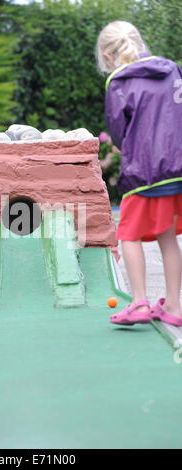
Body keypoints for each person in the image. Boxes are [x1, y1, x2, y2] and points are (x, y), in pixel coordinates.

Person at [96, 21, 182, 326]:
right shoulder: (172, 69)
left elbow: (118, 133)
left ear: (107, 54)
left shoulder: (119, 81)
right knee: (167, 236)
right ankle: (173, 306)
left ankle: (140, 303)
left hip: (145, 171)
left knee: (128, 235)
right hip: (178, 168)